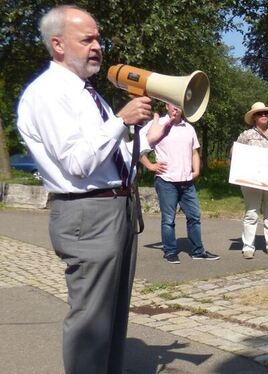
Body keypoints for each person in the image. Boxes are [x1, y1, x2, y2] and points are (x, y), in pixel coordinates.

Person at [15, 5, 169, 373]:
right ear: (58, 44)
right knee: (91, 322)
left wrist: (147, 138)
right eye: (87, 39)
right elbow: (77, 164)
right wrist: (120, 120)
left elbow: (108, 158)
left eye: (98, 38)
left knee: (112, 317)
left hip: (114, 209)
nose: (97, 45)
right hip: (88, 213)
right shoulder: (49, 93)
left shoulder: (87, 93)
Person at [139, 103, 220, 264]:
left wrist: (196, 171)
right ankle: (170, 251)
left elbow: (194, 151)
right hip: (166, 181)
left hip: (187, 182)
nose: (176, 109)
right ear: (166, 106)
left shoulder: (188, 128)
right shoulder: (157, 124)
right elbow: (138, 147)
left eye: (178, 106)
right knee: (168, 219)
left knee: (194, 217)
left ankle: (198, 251)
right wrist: (150, 166)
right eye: (172, 105)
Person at [237, 102, 268, 259]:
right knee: (252, 214)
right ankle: (248, 247)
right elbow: (235, 153)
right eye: (259, 113)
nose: (263, 115)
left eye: (265, 113)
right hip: (252, 181)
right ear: (254, 118)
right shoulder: (246, 135)